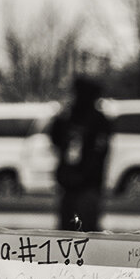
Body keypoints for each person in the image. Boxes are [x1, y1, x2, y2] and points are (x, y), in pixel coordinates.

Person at [49, 74, 114, 232]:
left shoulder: (98, 121)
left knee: (85, 228)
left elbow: (98, 154)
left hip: (87, 185)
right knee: (67, 228)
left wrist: (83, 176)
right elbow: (56, 139)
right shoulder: (68, 117)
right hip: (69, 183)